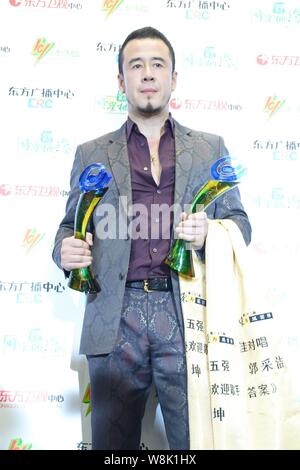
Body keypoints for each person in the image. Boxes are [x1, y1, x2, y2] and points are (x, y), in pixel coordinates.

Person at [52, 26, 251, 450]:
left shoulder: (210, 148)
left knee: (195, 443)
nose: (147, 74)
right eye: (136, 65)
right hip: (115, 318)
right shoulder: (91, 153)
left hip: (188, 318)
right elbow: (69, 227)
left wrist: (209, 232)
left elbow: (240, 225)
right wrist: (64, 249)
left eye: (157, 64)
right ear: (121, 81)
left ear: (173, 78)